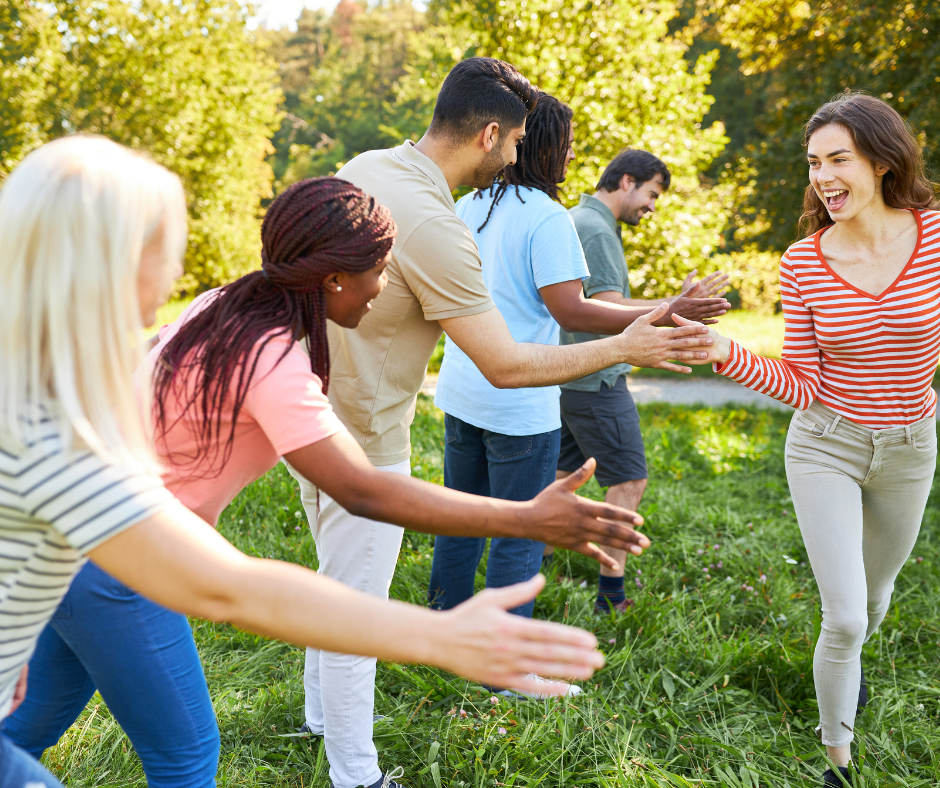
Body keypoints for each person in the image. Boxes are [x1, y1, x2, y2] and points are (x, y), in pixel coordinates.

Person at [0, 136, 615, 788]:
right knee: (185, 757)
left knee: (29, 723)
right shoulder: (265, 361)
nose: (384, 285)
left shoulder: (220, 306)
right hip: (122, 572)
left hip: (78, 565)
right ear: (333, 278)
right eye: (379, 269)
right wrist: (520, 525)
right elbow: (354, 497)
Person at [285, 57, 719, 788]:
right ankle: (356, 775)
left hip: (310, 415)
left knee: (334, 586)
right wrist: (630, 343)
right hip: (366, 446)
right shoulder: (435, 224)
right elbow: (506, 364)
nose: (520, 155)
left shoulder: (366, 165)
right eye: (516, 141)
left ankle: (321, 717)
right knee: (357, 612)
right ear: (489, 134)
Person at [676, 93, 940, 787]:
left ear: (882, 160)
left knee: (877, 600)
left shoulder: (935, 236)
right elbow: (802, 383)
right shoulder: (803, 261)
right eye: (814, 162)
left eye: (838, 160)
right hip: (827, 444)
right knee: (847, 617)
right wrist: (722, 350)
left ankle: (845, 669)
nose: (823, 177)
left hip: (910, 447)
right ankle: (837, 763)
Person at [427, 94, 730, 641]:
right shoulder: (547, 217)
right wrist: (668, 312)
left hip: (463, 391)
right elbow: (572, 310)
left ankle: (443, 632)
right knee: (519, 533)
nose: (570, 159)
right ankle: (504, 661)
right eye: (565, 146)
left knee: (460, 520)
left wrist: (666, 308)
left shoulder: (470, 205)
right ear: (539, 144)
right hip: (520, 404)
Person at [543, 147, 729, 614]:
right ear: (626, 181)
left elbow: (605, 305)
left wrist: (674, 301)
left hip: (569, 375)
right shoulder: (596, 231)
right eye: (650, 194)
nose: (651, 206)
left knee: (563, 476)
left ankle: (531, 567)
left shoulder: (578, 219)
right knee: (629, 479)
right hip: (597, 380)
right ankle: (611, 596)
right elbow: (608, 310)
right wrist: (675, 309)